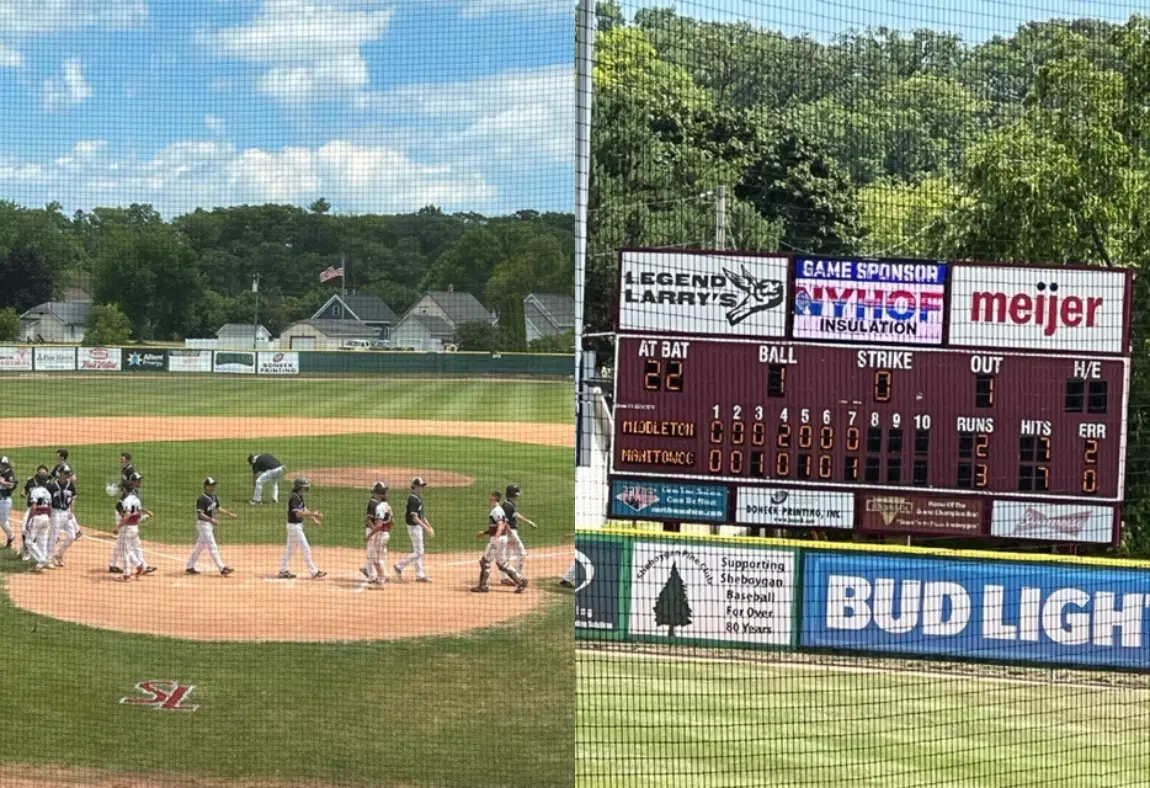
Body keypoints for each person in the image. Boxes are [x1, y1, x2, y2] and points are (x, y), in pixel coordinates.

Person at [472, 490, 527, 594]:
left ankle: (482, 586)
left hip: (497, 539)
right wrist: (485, 533)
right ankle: (521, 580)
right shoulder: (500, 509)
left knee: (485, 561)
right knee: (501, 563)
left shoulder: (496, 510)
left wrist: (496, 537)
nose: (489, 497)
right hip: (502, 539)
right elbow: (505, 524)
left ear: (494, 497)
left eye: (490, 496)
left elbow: (501, 524)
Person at [186, 477, 237, 576]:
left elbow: (218, 508)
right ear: (206, 487)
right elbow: (200, 514)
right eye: (212, 485)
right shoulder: (201, 499)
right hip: (203, 525)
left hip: (209, 525)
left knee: (199, 547)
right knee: (213, 546)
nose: (214, 487)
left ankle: (189, 566)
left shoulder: (214, 497)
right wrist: (211, 519)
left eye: (214, 485)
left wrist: (229, 514)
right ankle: (222, 568)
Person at [278, 478, 326, 579]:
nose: (306, 487)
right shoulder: (294, 497)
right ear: (299, 486)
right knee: (306, 548)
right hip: (294, 527)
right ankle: (314, 571)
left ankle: (283, 570)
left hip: (295, 526)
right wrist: (313, 514)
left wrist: (313, 518)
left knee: (290, 550)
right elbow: (298, 513)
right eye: (305, 486)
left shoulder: (299, 496)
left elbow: (303, 509)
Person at [393, 477, 434, 582]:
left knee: (419, 551)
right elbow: (415, 518)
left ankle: (420, 575)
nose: (422, 488)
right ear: (415, 486)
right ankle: (399, 566)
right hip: (414, 527)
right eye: (420, 486)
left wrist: (429, 526)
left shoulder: (417, 497)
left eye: (423, 486)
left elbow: (421, 516)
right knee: (419, 552)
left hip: (417, 527)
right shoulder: (413, 499)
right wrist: (426, 528)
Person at [499, 484, 538, 586]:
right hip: (510, 532)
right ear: (512, 495)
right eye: (516, 495)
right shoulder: (507, 506)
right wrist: (511, 533)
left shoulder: (510, 505)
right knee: (521, 553)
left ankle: (504, 578)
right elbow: (504, 522)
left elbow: (515, 514)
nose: (518, 497)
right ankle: (517, 576)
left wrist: (528, 521)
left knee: (507, 555)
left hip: (509, 532)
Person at [118, 473, 154, 581]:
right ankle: (140, 566)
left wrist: (118, 527)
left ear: (125, 489)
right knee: (127, 550)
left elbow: (127, 514)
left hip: (128, 528)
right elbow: (138, 512)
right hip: (135, 528)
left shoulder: (127, 500)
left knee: (125, 551)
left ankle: (126, 575)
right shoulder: (136, 499)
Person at [360, 481, 392, 586]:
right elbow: (368, 520)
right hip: (373, 530)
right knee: (372, 554)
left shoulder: (381, 505)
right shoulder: (373, 503)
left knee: (377, 555)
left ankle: (378, 575)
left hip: (377, 532)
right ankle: (372, 575)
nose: (385, 493)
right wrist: (374, 531)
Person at [47, 465, 79, 567]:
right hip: (56, 512)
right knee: (53, 536)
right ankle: (48, 559)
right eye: (66, 473)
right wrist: (49, 513)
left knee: (72, 536)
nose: (68, 475)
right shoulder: (52, 486)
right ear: (60, 473)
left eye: (68, 473)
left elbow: (73, 498)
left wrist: (71, 511)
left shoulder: (70, 485)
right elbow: (47, 502)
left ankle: (59, 555)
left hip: (66, 512)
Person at [25, 474, 54, 572]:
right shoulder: (48, 493)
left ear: (37, 481)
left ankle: (42, 560)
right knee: (43, 541)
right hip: (46, 518)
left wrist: (30, 519)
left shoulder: (35, 491)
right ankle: (43, 560)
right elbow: (50, 509)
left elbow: (33, 507)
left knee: (29, 542)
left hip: (37, 517)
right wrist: (49, 519)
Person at [0, 456, 16, 549]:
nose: (2, 466)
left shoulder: (9, 473)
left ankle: (11, 536)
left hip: (4, 501)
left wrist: (3, 482)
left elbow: (12, 485)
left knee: (3, 522)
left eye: (3, 464)